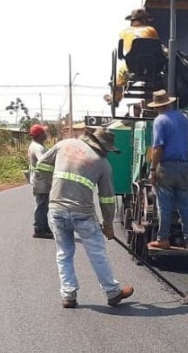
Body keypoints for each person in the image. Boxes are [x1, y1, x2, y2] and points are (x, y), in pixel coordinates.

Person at [33, 126, 135, 309]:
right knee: (97, 253)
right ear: (103, 147)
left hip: (56, 209)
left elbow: (41, 166)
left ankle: (68, 295)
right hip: (83, 213)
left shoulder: (63, 145)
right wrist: (108, 224)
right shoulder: (102, 163)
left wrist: (55, 183)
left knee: (64, 253)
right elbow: (107, 198)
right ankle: (112, 292)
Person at [146, 90, 188, 250]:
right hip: (183, 166)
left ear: (157, 106)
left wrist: (153, 170)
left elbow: (157, 148)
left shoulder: (159, 121)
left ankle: (163, 239)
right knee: (184, 205)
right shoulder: (184, 118)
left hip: (166, 167)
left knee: (165, 205)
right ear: (169, 102)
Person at [109, 8, 162, 105]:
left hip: (132, 65)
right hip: (152, 65)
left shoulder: (124, 32)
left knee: (120, 73)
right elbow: (157, 46)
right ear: (144, 20)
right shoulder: (151, 30)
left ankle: (116, 97)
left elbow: (124, 49)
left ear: (132, 21)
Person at [27, 124, 53, 239]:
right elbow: (43, 162)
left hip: (39, 180)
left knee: (44, 205)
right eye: (44, 133)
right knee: (41, 205)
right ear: (39, 135)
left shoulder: (37, 145)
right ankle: (39, 229)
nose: (45, 134)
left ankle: (44, 226)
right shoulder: (38, 148)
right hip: (41, 181)